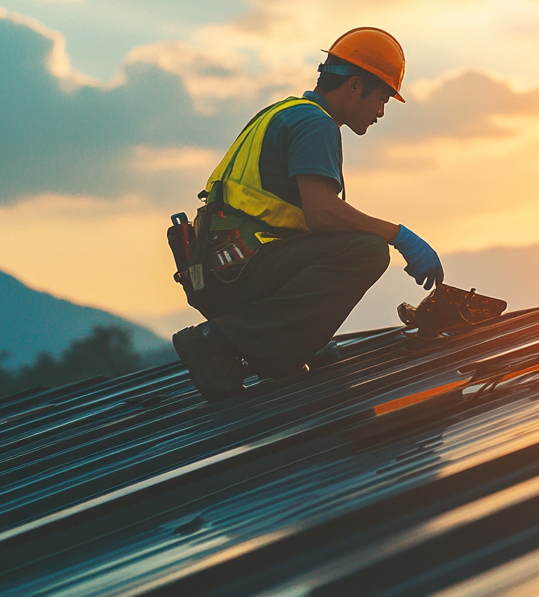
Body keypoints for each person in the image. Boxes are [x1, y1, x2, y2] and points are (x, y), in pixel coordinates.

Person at [171, 27, 445, 400]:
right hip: (240, 271)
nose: (381, 112)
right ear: (353, 86)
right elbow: (322, 214)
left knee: (345, 243)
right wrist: (398, 235)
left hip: (220, 270)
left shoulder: (285, 112)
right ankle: (218, 344)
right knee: (365, 251)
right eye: (381, 98)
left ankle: (282, 351)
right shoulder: (316, 123)